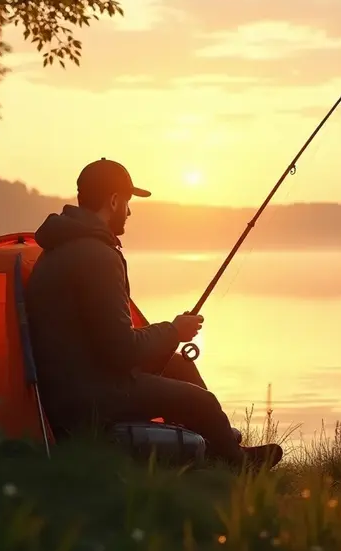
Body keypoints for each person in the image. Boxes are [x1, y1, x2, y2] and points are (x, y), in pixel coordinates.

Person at [24, 157, 283, 470]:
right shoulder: (97, 256)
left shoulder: (61, 247)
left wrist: (170, 337)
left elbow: (107, 345)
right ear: (114, 200)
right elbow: (121, 351)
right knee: (200, 401)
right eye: (128, 202)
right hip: (87, 400)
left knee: (178, 366)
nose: (129, 212)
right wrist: (173, 331)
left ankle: (223, 446)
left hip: (77, 383)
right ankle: (236, 465)